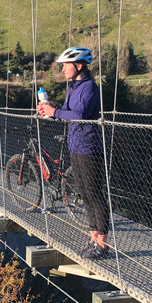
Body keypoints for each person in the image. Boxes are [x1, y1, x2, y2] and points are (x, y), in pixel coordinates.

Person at [37, 46, 111, 259]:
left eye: (65, 65)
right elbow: (68, 112)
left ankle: (103, 245)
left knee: (95, 194)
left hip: (89, 147)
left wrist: (55, 112)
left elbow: (79, 114)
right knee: (84, 194)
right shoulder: (72, 86)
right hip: (75, 146)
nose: (63, 70)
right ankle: (93, 238)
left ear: (79, 65)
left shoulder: (89, 87)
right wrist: (50, 112)